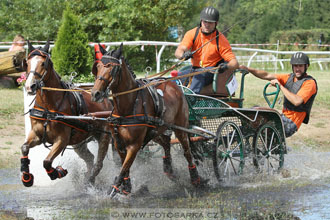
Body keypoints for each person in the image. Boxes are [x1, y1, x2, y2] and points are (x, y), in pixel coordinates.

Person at [239, 52, 317, 137]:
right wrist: (248, 69)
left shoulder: (310, 83)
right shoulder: (289, 77)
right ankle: (231, 138)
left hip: (291, 123)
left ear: (306, 66)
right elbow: (266, 75)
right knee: (255, 113)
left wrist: (280, 86)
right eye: (295, 66)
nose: (297, 69)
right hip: (281, 117)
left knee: (258, 118)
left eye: (300, 66)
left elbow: (297, 101)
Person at [174, 6, 238, 94]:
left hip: (211, 72)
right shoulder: (192, 34)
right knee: (174, 78)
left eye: (210, 23)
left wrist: (226, 66)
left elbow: (234, 63)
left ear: (216, 23)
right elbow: (179, 51)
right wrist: (183, 55)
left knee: (199, 75)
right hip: (194, 70)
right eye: (205, 22)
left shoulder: (221, 40)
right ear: (201, 21)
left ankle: (191, 99)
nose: (207, 25)